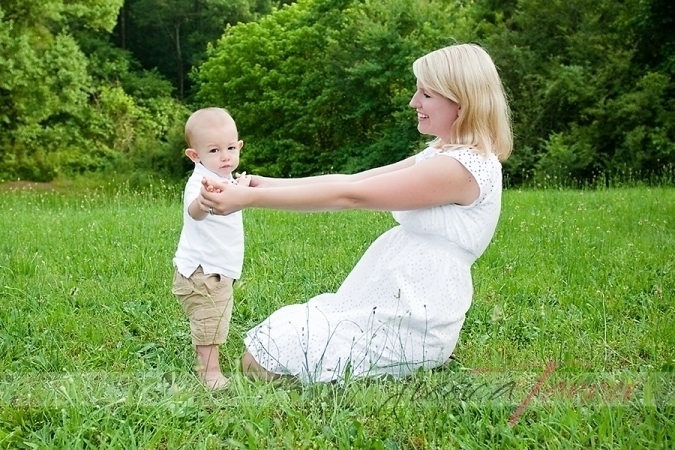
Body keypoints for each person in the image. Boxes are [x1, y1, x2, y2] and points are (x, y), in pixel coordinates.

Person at [198, 43, 512, 384]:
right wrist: (264, 185)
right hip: (390, 304)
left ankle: (419, 358)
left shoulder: (460, 168)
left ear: (460, 101)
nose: (414, 102)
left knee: (262, 365)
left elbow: (351, 196)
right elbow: (352, 180)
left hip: (415, 319)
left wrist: (246, 200)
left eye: (426, 94)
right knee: (273, 345)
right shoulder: (442, 154)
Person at [172, 107, 251, 390]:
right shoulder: (200, 183)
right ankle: (209, 373)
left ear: (239, 146)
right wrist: (205, 202)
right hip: (203, 274)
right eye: (215, 150)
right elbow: (195, 211)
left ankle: (210, 367)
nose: (225, 156)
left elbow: (235, 198)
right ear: (195, 156)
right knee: (209, 323)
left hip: (217, 270)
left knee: (217, 318)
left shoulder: (224, 177)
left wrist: (240, 187)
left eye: (230, 147)